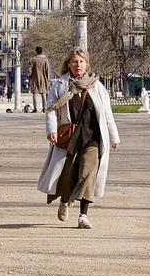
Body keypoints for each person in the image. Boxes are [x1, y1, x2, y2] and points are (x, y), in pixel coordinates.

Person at [38, 49, 120, 229]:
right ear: (69, 64)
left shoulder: (96, 86)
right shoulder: (59, 85)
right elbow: (51, 110)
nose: (78, 65)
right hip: (69, 136)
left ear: (86, 64)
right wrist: (51, 130)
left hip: (92, 137)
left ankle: (83, 215)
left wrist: (114, 136)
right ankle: (65, 200)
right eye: (75, 62)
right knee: (68, 174)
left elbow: (107, 113)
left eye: (81, 62)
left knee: (87, 173)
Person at [28, 46, 51, 114]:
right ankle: (44, 108)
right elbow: (47, 70)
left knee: (35, 94)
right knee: (43, 94)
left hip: (35, 78)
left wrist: (30, 76)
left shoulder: (32, 60)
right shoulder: (45, 59)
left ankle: (35, 108)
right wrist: (48, 79)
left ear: (36, 51)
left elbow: (30, 70)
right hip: (43, 78)